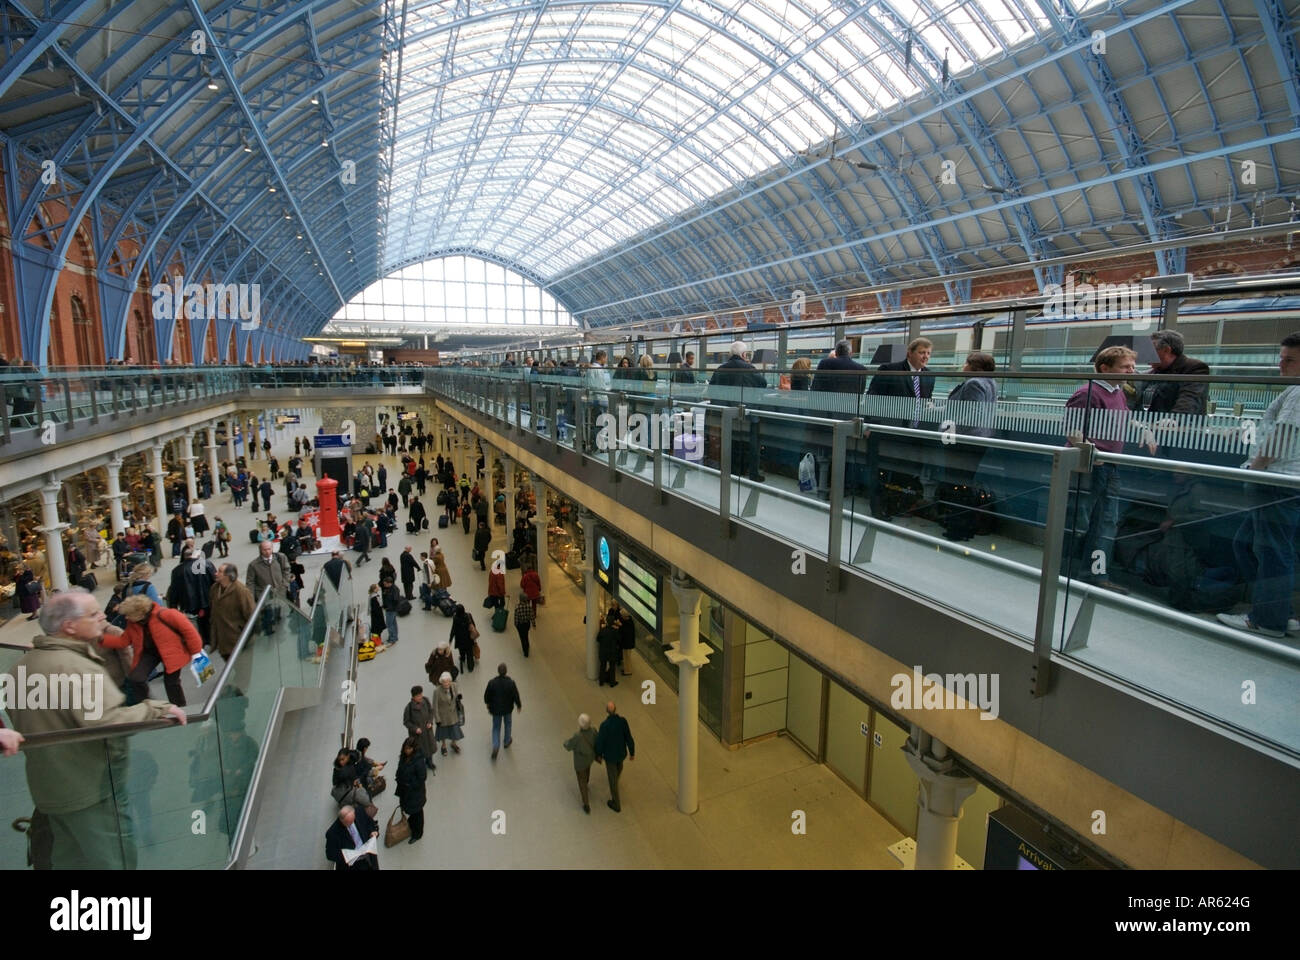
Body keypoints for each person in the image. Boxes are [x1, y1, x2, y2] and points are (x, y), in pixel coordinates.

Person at [4, 588, 186, 869]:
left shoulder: (20, 668)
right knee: (114, 861)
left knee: (69, 860)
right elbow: (108, 723)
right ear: (69, 626)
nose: (102, 615)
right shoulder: (76, 668)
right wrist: (156, 708)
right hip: (92, 789)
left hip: (49, 790)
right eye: (92, 613)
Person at [1217, 332, 1300, 639]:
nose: (1282, 365)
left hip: (1277, 482)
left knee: (1272, 551)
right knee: (1252, 544)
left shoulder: (1297, 392)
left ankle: (1267, 620)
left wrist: (1255, 469)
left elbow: (1282, 437)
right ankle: (1280, 612)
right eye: (1281, 358)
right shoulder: (1293, 388)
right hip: (1286, 482)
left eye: (1289, 359)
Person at [1065, 345, 1149, 594]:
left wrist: (1143, 427)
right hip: (1093, 466)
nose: (1132, 370)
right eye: (1126, 366)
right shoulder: (1087, 393)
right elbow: (1072, 430)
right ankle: (1069, 570)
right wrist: (1091, 451)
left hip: (1109, 465)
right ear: (1105, 367)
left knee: (1106, 521)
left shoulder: (1118, 392)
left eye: (1132, 366)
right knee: (1083, 520)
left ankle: (1096, 574)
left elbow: (1123, 417)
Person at [104, 593, 203, 706]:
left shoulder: (167, 614)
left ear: (139, 613)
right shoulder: (133, 623)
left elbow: (190, 633)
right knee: (136, 678)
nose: (126, 617)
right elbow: (123, 641)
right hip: (150, 652)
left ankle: (180, 707)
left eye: (128, 614)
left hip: (172, 652)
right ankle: (148, 706)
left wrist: (196, 652)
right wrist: (102, 640)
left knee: (171, 683)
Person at [708, 341, 768, 481]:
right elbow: (763, 384)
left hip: (727, 413)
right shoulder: (750, 368)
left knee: (731, 441)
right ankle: (753, 473)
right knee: (753, 443)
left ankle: (732, 470)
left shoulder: (721, 369)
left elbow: (711, 389)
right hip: (746, 413)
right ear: (744, 354)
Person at [209, 563, 255, 691]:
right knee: (231, 664)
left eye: (219, 571)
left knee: (243, 671)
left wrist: (248, 638)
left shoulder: (241, 591)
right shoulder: (214, 588)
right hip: (222, 640)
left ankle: (242, 692)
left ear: (228, 576)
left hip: (238, 640)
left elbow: (251, 615)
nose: (216, 573)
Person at [1143, 329, 1210, 419]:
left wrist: (1173, 419)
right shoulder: (1155, 371)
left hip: (1182, 428)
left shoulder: (1195, 368)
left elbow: (1189, 399)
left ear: (1166, 350)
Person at [594, 701, 635, 813]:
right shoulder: (623, 722)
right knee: (619, 767)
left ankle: (616, 803)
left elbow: (600, 742)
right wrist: (632, 752)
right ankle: (615, 779)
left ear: (607, 711)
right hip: (621, 753)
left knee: (612, 779)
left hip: (610, 756)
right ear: (615, 709)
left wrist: (598, 755)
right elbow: (629, 737)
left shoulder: (604, 726)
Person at [245, 539, 291, 635]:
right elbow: (250, 583)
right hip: (264, 597)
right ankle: (269, 632)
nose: (267, 552)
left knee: (280, 613)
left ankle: (280, 631)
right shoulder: (254, 565)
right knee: (268, 617)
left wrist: (284, 585)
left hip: (279, 593)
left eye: (269, 549)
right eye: (264, 550)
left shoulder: (280, 558)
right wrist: (251, 599)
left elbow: (286, 570)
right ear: (260, 550)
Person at [868, 337, 935, 400]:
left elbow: (928, 400)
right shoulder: (889, 370)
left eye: (928, 353)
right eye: (922, 352)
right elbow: (873, 397)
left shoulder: (929, 376)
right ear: (910, 353)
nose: (926, 356)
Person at [483, 662, 521, 760]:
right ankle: (507, 741)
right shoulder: (511, 683)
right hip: (508, 708)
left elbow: (487, 695)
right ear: (506, 672)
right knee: (508, 723)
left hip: (496, 710)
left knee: (496, 727)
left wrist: (488, 704)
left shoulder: (492, 682)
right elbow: (515, 695)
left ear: (498, 671)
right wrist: (518, 705)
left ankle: (496, 745)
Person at [563, 713, 600, 813]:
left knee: (581, 781)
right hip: (590, 758)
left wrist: (565, 742)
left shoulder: (578, 736)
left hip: (580, 762)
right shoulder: (593, 731)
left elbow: (568, 746)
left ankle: (586, 804)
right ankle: (587, 782)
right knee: (587, 770)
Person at [394, 737, 428, 845]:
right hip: (405, 790)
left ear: (413, 749)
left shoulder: (418, 761)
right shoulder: (404, 757)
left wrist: (409, 784)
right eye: (405, 748)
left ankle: (417, 834)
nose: (406, 750)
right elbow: (400, 768)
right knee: (411, 809)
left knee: (417, 812)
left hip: (415, 793)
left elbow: (422, 778)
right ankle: (412, 823)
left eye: (409, 749)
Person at [324, 805, 379, 871]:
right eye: (348, 823)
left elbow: (370, 823)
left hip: (368, 858)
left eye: (352, 821)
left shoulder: (360, 812)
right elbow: (330, 854)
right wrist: (346, 855)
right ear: (341, 821)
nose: (351, 825)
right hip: (352, 865)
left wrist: (373, 832)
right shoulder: (333, 833)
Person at [403, 685, 437, 770]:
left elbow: (431, 711)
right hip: (417, 735)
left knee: (429, 748)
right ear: (413, 697)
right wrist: (415, 729)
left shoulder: (425, 700)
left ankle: (430, 762)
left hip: (427, 731)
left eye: (421, 695)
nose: (420, 697)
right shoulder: (409, 708)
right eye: (418, 696)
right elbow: (406, 722)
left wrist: (430, 722)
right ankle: (421, 765)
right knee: (419, 751)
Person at [433, 672, 464, 756]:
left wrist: (458, 697)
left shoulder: (454, 685)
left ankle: (453, 743)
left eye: (448, 681)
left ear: (450, 681)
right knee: (443, 733)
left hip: (453, 714)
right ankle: (443, 746)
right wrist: (437, 719)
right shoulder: (437, 691)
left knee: (454, 730)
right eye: (444, 682)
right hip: (443, 716)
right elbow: (435, 706)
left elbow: (456, 696)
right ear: (441, 682)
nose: (446, 684)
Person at [450, 604, 476, 674]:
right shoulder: (468, 615)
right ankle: (470, 667)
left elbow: (453, 629)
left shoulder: (455, 618)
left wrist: (450, 639)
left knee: (461, 651)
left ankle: (462, 658)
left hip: (459, 639)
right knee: (469, 653)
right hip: (468, 639)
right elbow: (473, 625)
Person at [597, 611, 621, 687]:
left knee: (602, 666)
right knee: (612, 667)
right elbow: (619, 640)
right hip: (612, 652)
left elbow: (598, 639)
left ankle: (601, 682)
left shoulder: (603, 630)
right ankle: (612, 682)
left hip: (603, 652)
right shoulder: (615, 631)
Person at [513, 588, 536, 657]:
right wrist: (533, 624)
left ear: (520, 599)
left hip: (520, 625)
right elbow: (532, 616)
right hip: (527, 624)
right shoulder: (529, 607)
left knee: (522, 638)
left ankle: (525, 651)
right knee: (526, 635)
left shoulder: (517, 607)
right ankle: (527, 645)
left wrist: (516, 625)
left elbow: (516, 618)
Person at [618, 607, 636, 676]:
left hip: (627, 644)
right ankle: (626, 669)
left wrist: (620, 626)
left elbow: (625, 633)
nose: (621, 617)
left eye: (622, 616)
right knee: (626, 657)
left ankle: (628, 671)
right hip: (627, 643)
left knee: (627, 657)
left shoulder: (628, 623)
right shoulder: (629, 621)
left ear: (625, 616)